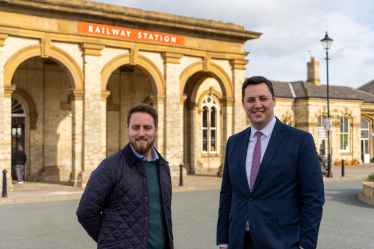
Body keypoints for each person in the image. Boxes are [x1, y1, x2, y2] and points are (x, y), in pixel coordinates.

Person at [216, 76, 324, 249]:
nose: (257, 105)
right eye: (250, 100)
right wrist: (223, 240)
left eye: (263, 98)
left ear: (274, 100)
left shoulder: (300, 140)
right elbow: (227, 194)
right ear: (243, 104)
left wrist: (306, 245)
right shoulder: (234, 142)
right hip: (239, 241)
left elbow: (313, 197)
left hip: (283, 241)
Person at [77, 104, 173, 249]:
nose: (141, 133)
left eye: (147, 127)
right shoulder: (110, 166)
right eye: (136, 127)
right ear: (128, 130)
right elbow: (86, 212)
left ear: (156, 130)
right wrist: (112, 241)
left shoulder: (163, 166)